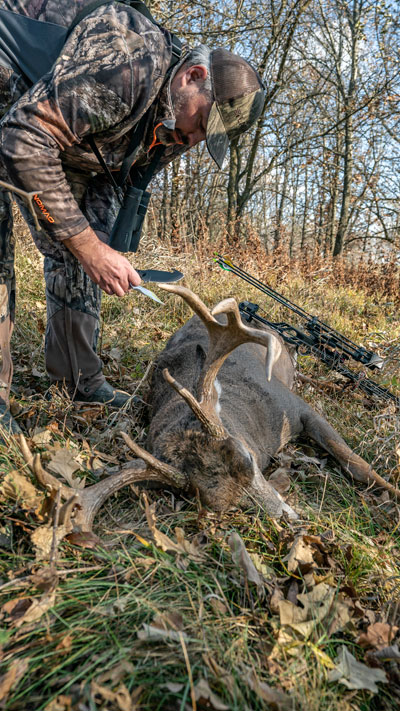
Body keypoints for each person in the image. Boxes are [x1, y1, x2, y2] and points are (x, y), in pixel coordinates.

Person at [0, 0, 265, 434]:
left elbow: (117, 178)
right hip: (13, 95)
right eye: (202, 122)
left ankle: (78, 380)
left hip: (50, 123)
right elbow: (23, 139)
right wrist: (86, 246)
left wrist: (99, 246)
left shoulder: (177, 121)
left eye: (207, 136)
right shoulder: (128, 62)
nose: (195, 139)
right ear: (192, 76)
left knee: (88, 246)